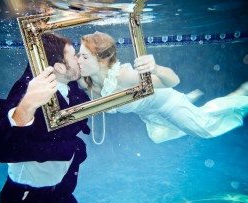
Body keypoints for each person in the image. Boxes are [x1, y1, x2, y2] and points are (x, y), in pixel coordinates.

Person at [0, 33, 91, 203]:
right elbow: (2, 145)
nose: (79, 60)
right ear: (60, 67)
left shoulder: (68, 84)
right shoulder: (28, 90)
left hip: (58, 193)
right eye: (74, 55)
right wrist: (27, 105)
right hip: (27, 200)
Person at [76, 31, 248, 143]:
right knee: (157, 136)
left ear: (101, 59)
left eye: (84, 57)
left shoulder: (124, 76)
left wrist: (155, 68)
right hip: (148, 112)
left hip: (166, 103)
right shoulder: (85, 82)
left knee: (204, 129)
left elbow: (173, 81)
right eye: (78, 55)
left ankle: (241, 97)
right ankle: (188, 102)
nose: (78, 60)